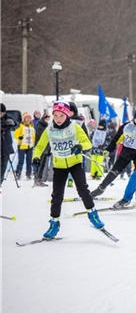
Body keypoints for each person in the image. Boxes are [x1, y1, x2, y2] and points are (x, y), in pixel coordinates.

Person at [32, 100, 105, 239]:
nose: (58, 119)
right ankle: (54, 223)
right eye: (56, 115)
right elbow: (40, 146)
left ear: (67, 115)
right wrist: (36, 157)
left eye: (61, 115)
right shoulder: (49, 129)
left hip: (75, 164)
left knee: (83, 190)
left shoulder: (75, 127)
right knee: (57, 195)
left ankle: (93, 215)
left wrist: (80, 147)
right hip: (59, 166)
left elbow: (87, 142)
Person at [91, 107, 136, 199]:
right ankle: (101, 188)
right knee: (115, 170)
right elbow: (116, 139)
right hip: (127, 151)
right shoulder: (126, 126)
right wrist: (108, 150)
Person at [14, 112, 36, 180]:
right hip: (22, 146)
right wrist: (19, 137)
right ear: (24, 119)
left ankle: (28, 174)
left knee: (29, 161)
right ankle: (18, 174)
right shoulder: (21, 126)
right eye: (27, 118)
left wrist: (34, 142)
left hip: (30, 146)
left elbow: (33, 136)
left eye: (29, 118)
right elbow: (15, 134)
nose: (28, 119)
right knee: (21, 161)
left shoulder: (32, 127)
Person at [1, 103, 18, 185]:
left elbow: (17, 126)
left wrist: (13, 123)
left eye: (2, 112)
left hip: (6, 145)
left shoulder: (8, 117)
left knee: (3, 165)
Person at [34, 113, 51, 186]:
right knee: (39, 163)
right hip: (41, 147)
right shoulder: (40, 125)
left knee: (43, 164)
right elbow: (40, 135)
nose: (47, 120)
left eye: (48, 119)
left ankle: (39, 178)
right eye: (46, 119)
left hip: (46, 147)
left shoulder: (47, 125)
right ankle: (37, 178)